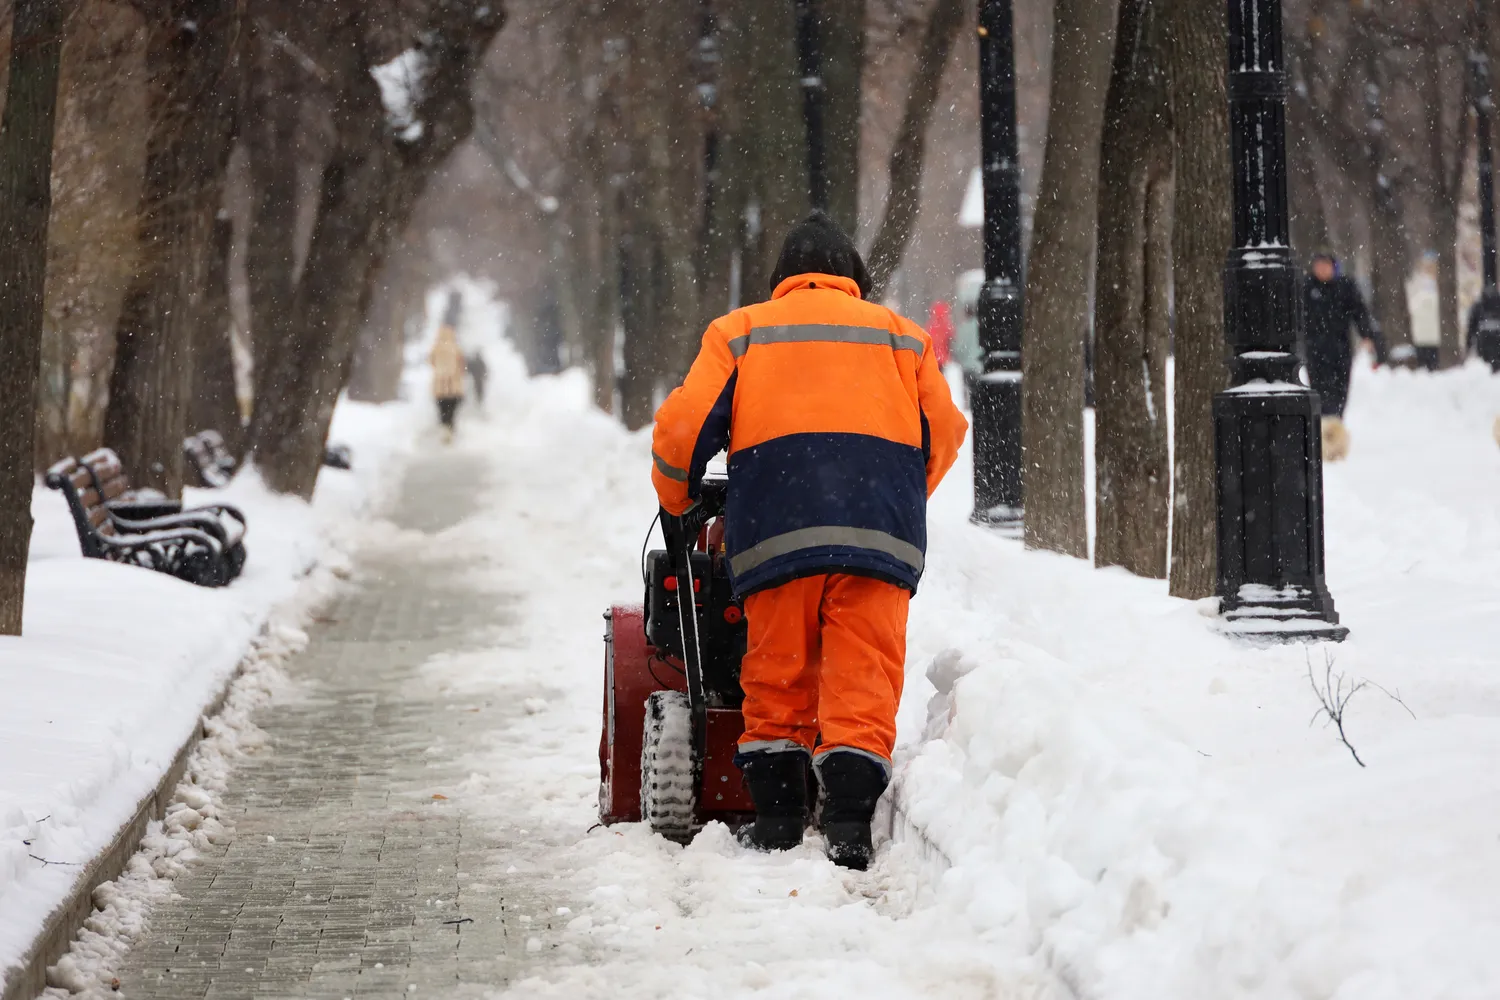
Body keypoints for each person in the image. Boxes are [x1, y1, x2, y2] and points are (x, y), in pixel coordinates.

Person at [650, 211, 968, 870]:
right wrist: (895, 496)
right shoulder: (903, 340)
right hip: (878, 539)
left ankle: (778, 820)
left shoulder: (741, 333)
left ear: (780, 282)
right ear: (854, 280)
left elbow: (684, 433)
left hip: (777, 532)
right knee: (863, 675)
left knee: (778, 672)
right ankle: (849, 825)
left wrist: (678, 498)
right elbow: (945, 429)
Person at [1304, 251, 1383, 461]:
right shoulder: (1306, 288)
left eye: (1325, 265)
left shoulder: (1345, 287)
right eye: (1318, 265)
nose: (1321, 269)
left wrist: (1367, 334)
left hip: (1340, 350)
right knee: (1320, 393)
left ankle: (1336, 436)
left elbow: (1359, 312)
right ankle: (1322, 436)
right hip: (1315, 352)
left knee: (1339, 393)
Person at [1405, 252, 1441, 371]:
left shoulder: (1441, 284)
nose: (1429, 268)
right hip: (1420, 336)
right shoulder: (1414, 283)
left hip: (1435, 336)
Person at [430, 322, 466, 442]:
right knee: (452, 408)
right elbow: (462, 365)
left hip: (440, 386)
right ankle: (450, 426)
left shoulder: (436, 347)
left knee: (442, 407)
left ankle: (444, 426)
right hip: (453, 385)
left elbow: (431, 362)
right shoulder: (455, 347)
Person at [926, 300, 955, 369]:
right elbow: (950, 341)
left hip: (932, 358)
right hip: (943, 358)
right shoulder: (947, 325)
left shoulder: (931, 326)